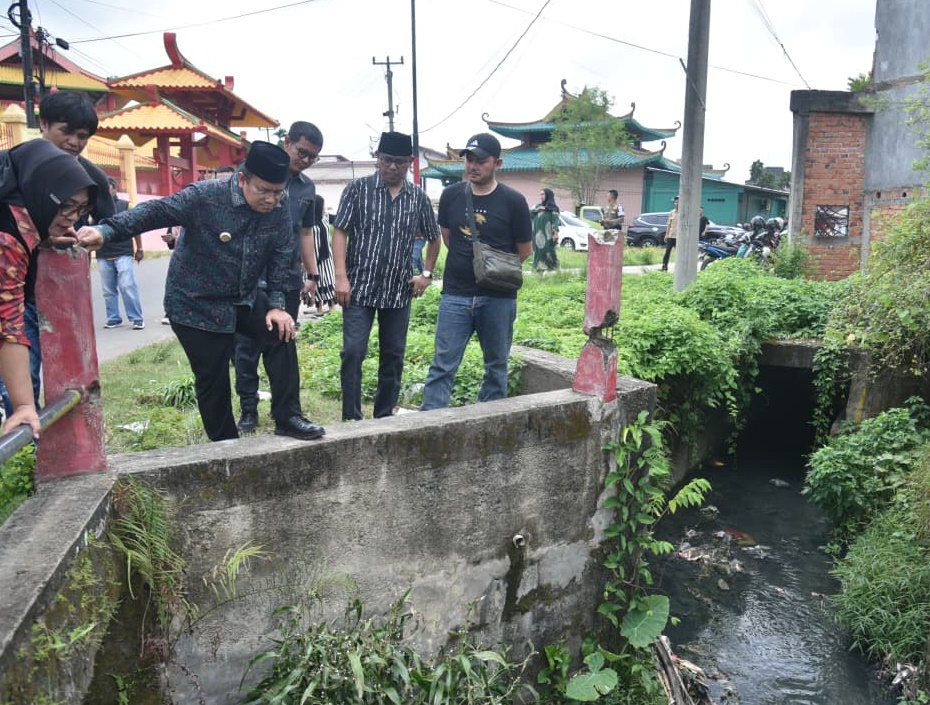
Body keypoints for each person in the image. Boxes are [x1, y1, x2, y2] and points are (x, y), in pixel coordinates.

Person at [76, 141, 325, 442]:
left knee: (281, 334)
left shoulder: (279, 205)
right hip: (194, 303)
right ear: (243, 179)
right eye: (264, 191)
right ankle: (225, 447)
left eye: (278, 191)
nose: (272, 199)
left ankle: (288, 417)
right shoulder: (205, 197)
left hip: (242, 297)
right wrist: (106, 231)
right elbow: (155, 212)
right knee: (213, 376)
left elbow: (281, 254)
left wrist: (275, 305)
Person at [420, 133, 532, 411]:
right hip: (455, 294)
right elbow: (448, 238)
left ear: (498, 163)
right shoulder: (451, 196)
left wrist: (492, 271)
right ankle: (429, 425)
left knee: (496, 366)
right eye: (469, 159)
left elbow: (525, 250)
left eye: (481, 160)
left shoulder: (514, 201)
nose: (473, 165)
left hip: (499, 297)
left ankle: (489, 423)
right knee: (442, 366)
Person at [333, 131, 440, 421]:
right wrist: (340, 277)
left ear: (410, 162)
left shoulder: (418, 198)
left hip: (398, 290)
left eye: (400, 162)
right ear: (378, 159)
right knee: (353, 352)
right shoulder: (357, 190)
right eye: (387, 160)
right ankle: (351, 419)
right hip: (359, 288)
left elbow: (435, 237)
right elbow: (340, 231)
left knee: (393, 356)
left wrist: (426, 274)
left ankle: (383, 418)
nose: (393, 167)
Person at [0, 139, 96, 438]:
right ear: (43, 194)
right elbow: (8, 327)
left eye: (80, 210)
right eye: (64, 206)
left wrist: (44, 234)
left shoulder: (25, 213)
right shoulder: (7, 239)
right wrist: (24, 406)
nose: (71, 217)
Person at [234, 122, 323, 433]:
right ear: (287, 143)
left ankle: (286, 413)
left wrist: (312, 275)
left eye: (313, 157)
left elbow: (307, 233)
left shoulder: (308, 189)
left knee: (283, 344)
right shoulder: (256, 176)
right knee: (246, 348)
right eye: (302, 152)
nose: (306, 160)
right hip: (250, 277)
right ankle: (248, 410)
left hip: (286, 278)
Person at [98, 178, 145, 330]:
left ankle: (137, 318)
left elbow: (136, 228)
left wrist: (139, 249)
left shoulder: (126, 206)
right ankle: (113, 318)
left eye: (108, 188)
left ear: (114, 189)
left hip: (123, 253)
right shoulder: (96, 208)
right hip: (103, 254)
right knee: (108, 290)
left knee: (127, 285)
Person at [307, 194, 336, 317]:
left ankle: (332, 307)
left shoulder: (325, 218)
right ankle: (319, 309)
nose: (325, 207)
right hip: (314, 259)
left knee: (328, 281)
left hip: (327, 260)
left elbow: (337, 218)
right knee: (317, 284)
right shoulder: (310, 224)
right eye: (323, 205)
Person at [531, 187, 560, 272]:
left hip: (548, 234)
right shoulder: (538, 206)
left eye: (543, 194)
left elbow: (555, 220)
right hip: (536, 235)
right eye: (540, 194)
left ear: (548, 195)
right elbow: (529, 213)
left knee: (548, 250)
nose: (541, 196)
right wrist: (538, 209)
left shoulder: (553, 208)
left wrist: (555, 233)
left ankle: (554, 268)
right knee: (538, 251)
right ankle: (538, 269)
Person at [661, 195, 680, 272]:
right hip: (671, 236)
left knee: (679, 254)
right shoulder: (671, 213)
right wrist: (666, 235)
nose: (677, 203)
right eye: (676, 202)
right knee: (667, 252)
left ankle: (679, 269)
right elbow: (669, 225)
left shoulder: (684, 213)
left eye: (679, 202)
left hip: (679, 237)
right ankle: (664, 267)